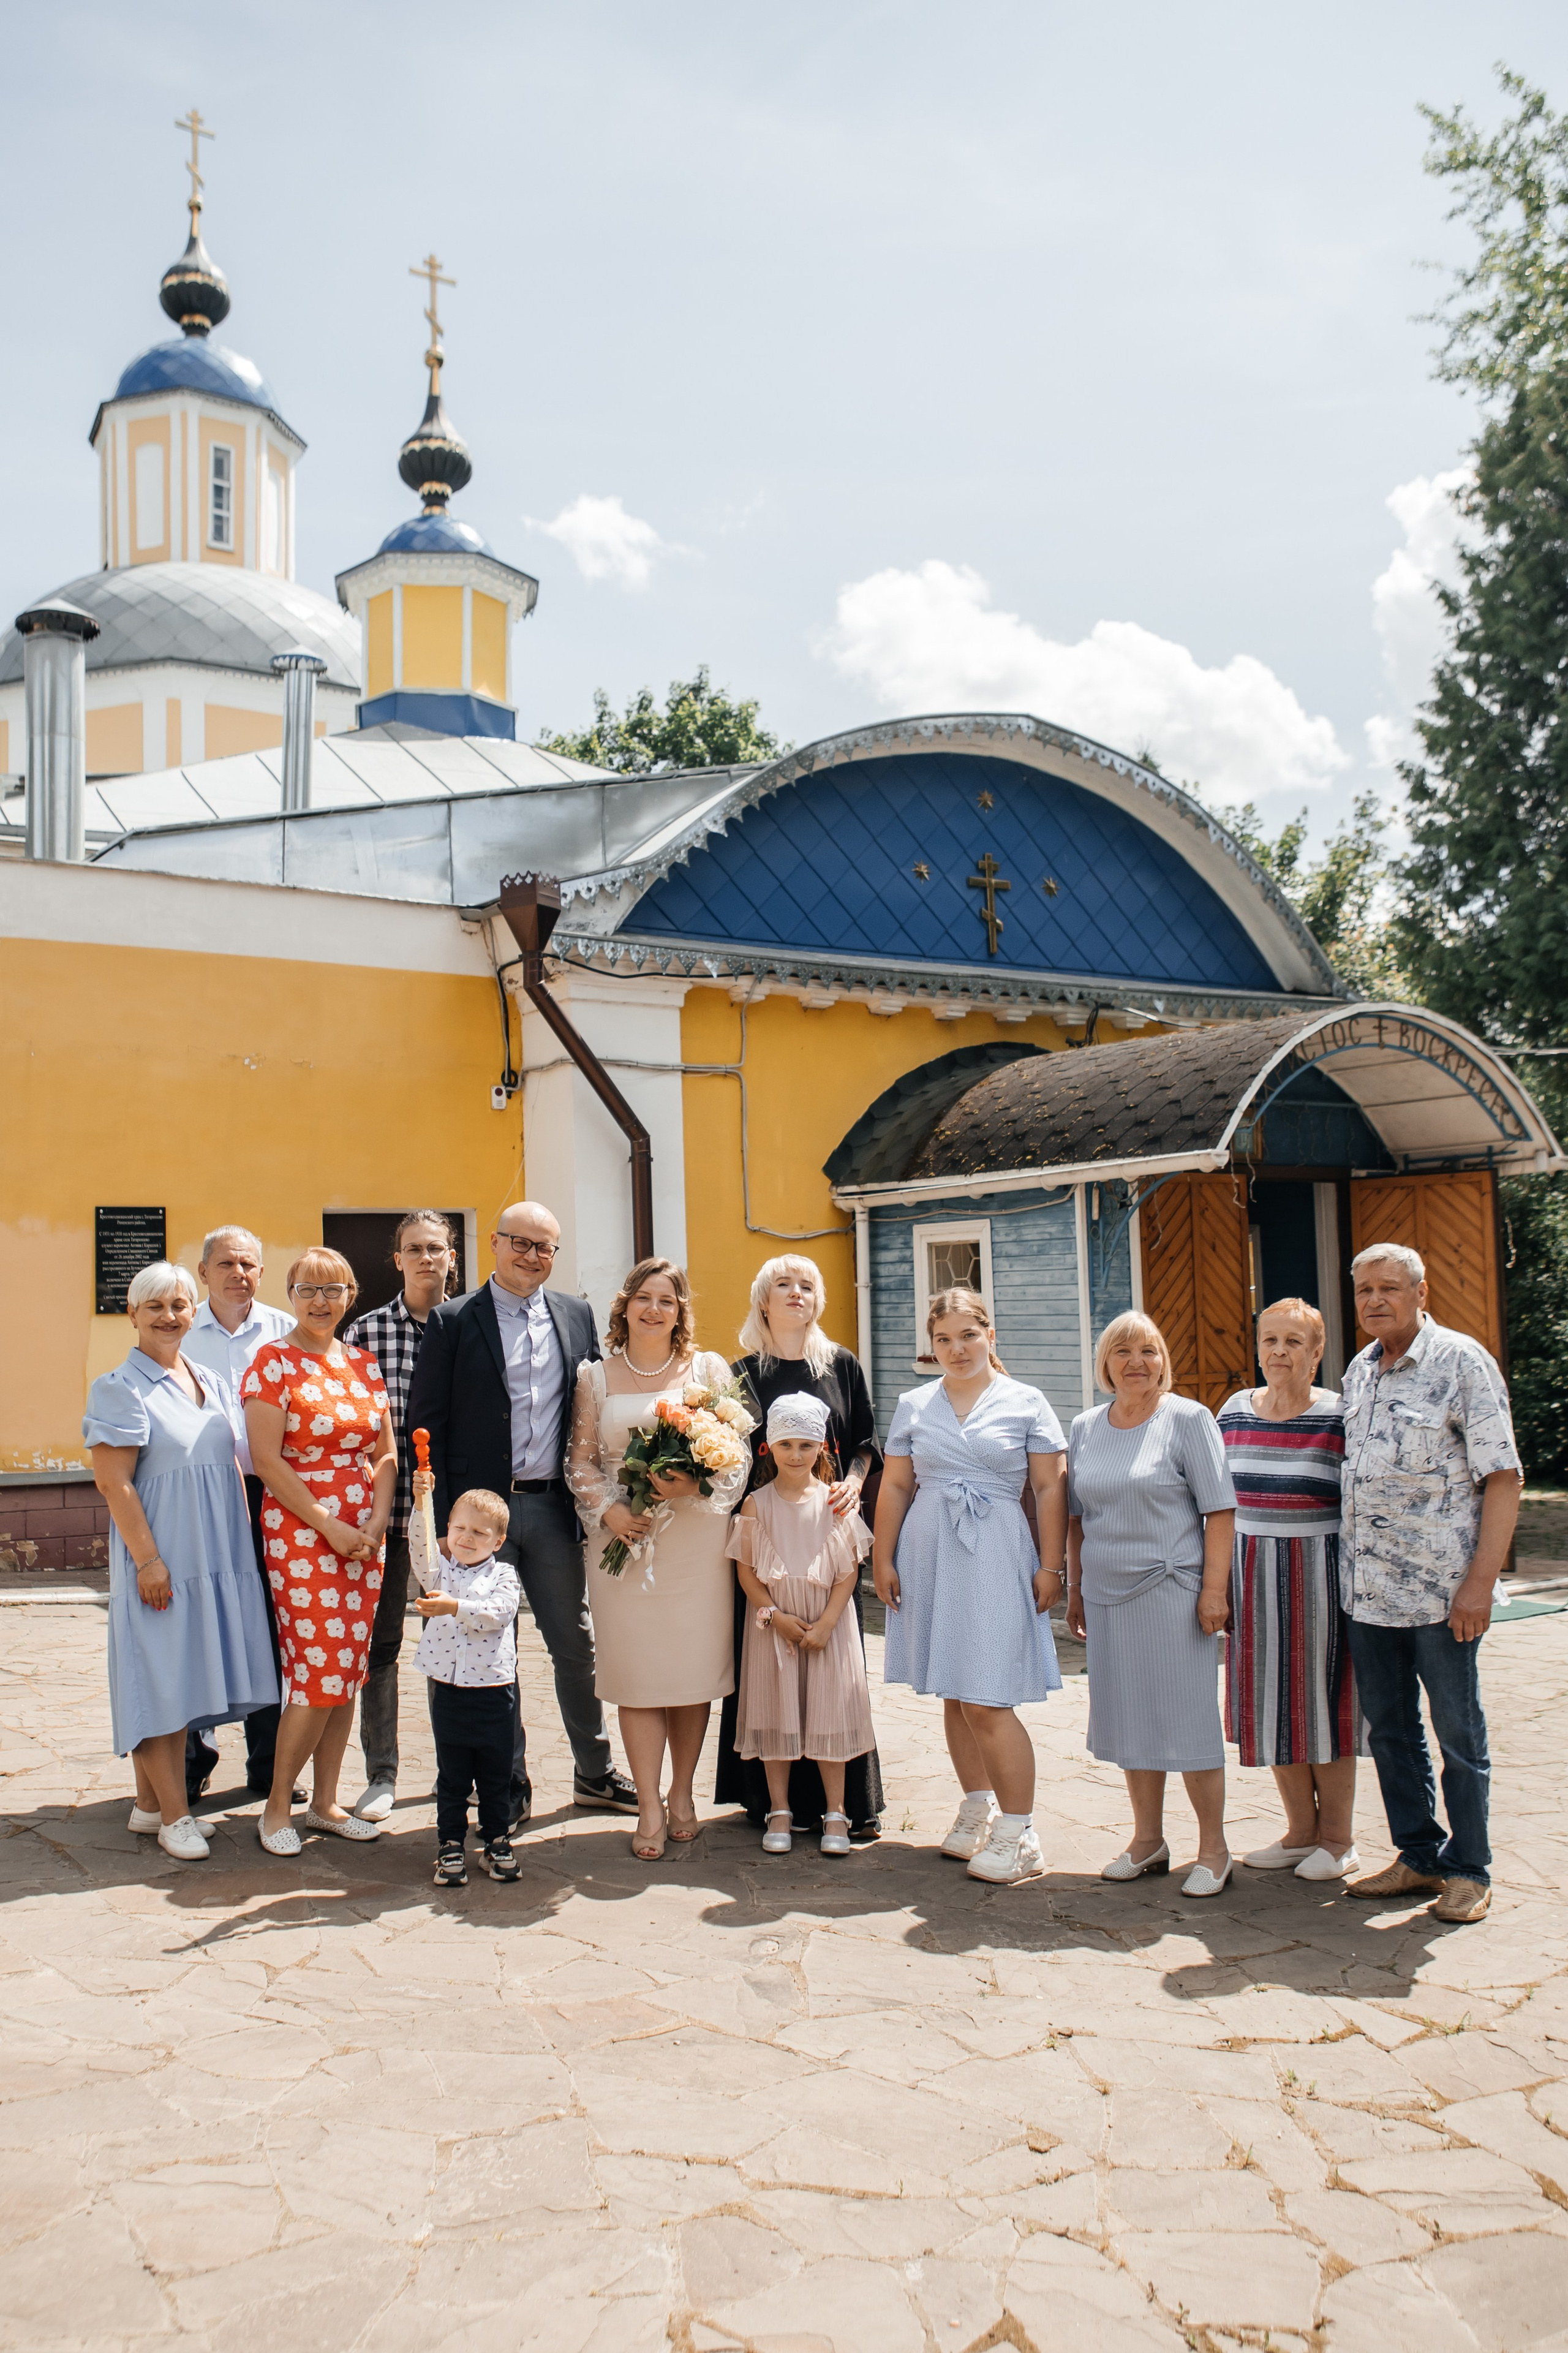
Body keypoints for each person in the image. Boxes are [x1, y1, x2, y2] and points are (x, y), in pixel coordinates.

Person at [405, 1199, 636, 1827]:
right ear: (496, 1244)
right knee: (485, 1646)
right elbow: (426, 1420)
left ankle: (593, 1772)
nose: (532, 1255)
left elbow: (592, 1409)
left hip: (552, 1510)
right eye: (520, 1242)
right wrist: (451, 1526)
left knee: (574, 1645)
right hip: (481, 1518)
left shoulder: (575, 1315)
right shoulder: (454, 1321)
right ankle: (504, 1781)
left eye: (545, 1246)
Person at [1339, 1245, 1521, 1927]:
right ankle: (1418, 1854)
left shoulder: (1461, 1363)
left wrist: (1481, 1582)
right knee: (1389, 1730)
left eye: (1389, 1288)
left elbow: (1502, 1477)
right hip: (1367, 1592)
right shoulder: (1360, 1369)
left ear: (1421, 1291)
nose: (1375, 1300)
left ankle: (1469, 1869)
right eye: (1364, 1290)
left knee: (1457, 1734)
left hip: (1443, 1595)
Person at [873, 1287, 1067, 1888]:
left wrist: (1052, 1566)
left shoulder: (1025, 1401)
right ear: (931, 1347)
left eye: (967, 1335)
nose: (956, 1349)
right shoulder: (913, 1404)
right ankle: (977, 1804)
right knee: (956, 1691)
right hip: (930, 1552)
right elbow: (897, 1486)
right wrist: (882, 1556)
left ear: (990, 1335)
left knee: (987, 1696)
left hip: (995, 1552)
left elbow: (1051, 1487)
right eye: (943, 1339)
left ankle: (1020, 1831)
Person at [85, 1262, 278, 1862]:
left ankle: (148, 1807)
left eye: (179, 1304)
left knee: (186, 1676)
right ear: (132, 1314)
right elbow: (115, 1485)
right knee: (161, 1681)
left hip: (215, 1555)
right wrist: (149, 1562)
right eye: (156, 1306)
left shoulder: (207, 1378)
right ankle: (175, 1816)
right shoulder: (119, 1387)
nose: (170, 1316)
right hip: (164, 1558)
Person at [566, 1256, 750, 1859]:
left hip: (694, 1540)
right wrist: (612, 1512)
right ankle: (647, 1800)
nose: (654, 1309)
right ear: (625, 1306)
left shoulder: (707, 1369)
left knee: (688, 1672)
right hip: (622, 1533)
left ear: (680, 1311)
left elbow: (739, 1456)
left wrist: (696, 1486)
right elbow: (581, 1461)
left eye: (666, 1300)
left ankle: (683, 1792)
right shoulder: (595, 1376)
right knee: (640, 1678)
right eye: (644, 1297)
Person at [1066, 1312, 1237, 1898]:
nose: (1136, 1361)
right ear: (1105, 1363)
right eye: (1123, 1351)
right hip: (1107, 1596)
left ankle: (1213, 1849)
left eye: (1149, 1350)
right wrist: (1074, 1587)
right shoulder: (1086, 1426)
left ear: (1164, 1360)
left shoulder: (1189, 1419)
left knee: (1187, 1719)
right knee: (1130, 1716)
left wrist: (1214, 1590)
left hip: (1174, 1593)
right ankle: (1148, 1841)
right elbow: (1079, 1517)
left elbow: (1220, 1510)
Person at [717, 1254, 886, 1840]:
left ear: (819, 1299)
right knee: (772, 1674)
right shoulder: (739, 1374)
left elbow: (866, 1440)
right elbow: (722, 1451)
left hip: (828, 1535)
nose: (796, 1292)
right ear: (762, 1299)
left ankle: (845, 1806)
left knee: (831, 1674)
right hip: (765, 1542)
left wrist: (855, 1481)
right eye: (783, 1284)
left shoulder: (842, 1365)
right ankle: (774, 1805)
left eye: (807, 1284)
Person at [241, 1249, 396, 1855]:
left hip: (364, 1537)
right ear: (291, 1293)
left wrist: (378, 1520)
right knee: (314, 1674)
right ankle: (278, 1807)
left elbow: (384, 1453)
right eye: (308, 1288)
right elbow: (266, 1460)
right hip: (303, 1534)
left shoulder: (363, 1364)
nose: (320, 1301)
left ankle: (328, 1803)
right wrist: (328, 1524)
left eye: (333, 1289)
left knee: (348, 1672)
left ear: (351, 1293)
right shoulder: (272, 1363)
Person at [1219, 1297, 1365, 1881]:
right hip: (1249, 1574)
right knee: (1271, 1706)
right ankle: (1300, 1833)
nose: (1279, 1352)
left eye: (1294, 1342)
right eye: (1270, 1340)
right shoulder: (1233, 1411)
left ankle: (1339, 1838)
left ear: (1317, 1353)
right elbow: (1213, 1498)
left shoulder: (1341, 1414)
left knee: (1324, 1709)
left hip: (1319, 1580)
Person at [343, 1210, 460, 1822]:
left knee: (451, 1646)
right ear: (397, 1259)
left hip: (454, 1525)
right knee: (381, 1647)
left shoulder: (469, 1323)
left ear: (451, 1256)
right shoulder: (364, 1334)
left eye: (435, 1248)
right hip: (386, 1518)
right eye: (413, 1248)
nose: (425, 1258)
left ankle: (457, 1774)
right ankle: (381, 1773)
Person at [727, 1394, 875, 1857]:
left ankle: (836, 1810)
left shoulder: (835, 1502)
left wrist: (828, 1621)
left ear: (822, 1448)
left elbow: (848, 1570)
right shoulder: (756, 1505)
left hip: (828, 1625)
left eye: (806, 1445)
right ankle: (780, 1808)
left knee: (829, 1714)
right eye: (786, 1444)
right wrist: (775, 1617)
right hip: (776, 1627)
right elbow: (747, 1572)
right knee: (777, 1714)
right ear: (770, 1447)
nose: (796, 1454)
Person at [180, 1225, 295, 1805]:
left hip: (268, 1493)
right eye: (225, 1263)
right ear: (204, 1272)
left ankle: (269, 1764)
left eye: (248, 1263)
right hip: (200, 1497)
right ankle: (192, 1760)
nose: (237, 1273)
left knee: (270, 1625)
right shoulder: (178, 1330)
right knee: (202, 1620)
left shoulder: (284, 1331)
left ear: (261, 1272)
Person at [407, 1468, 522, 1888]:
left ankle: (497, 1840)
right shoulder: (441, 1572)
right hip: (450, 1690)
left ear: (498, 1541)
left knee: (495, 1774)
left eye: (479, 1531)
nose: (467, 1537)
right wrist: (424, 1504)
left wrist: (455, 1607)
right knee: (452, 1775)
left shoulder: (504, 1575)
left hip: (494, 1691)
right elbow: (420, 1549)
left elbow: (499, 1614)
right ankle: (451, 1843)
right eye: (459, 1528)